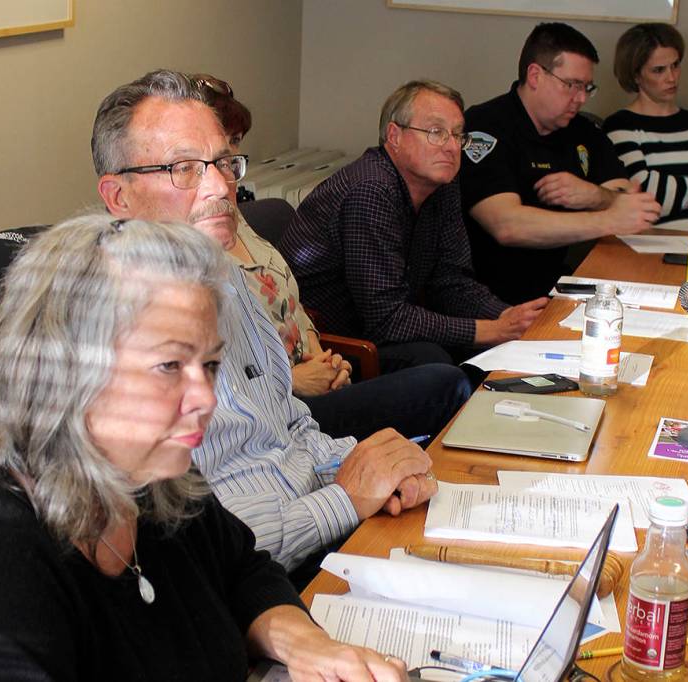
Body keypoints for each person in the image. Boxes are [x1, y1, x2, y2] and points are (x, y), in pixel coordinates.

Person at [0, 214, 409, 681]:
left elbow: (242, 570)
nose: (203, 397)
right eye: (168, 366)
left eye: (208, 365)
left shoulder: (150, 479)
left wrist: (304, 643)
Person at [93, 70, 436, 580]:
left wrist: (372, 465)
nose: (220, 187)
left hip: (316, 525)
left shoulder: (228, 276)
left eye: (224, 164)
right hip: (263, 577)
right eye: (184, 168)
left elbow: (292, 427)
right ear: (118, 197)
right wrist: (346, 497)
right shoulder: (116, 336)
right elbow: (209, 544)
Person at [195, 75, 471, 439]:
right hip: (283, 404)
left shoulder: (236, 219)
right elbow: (220, 374)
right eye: (212, 155)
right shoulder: (189, 248)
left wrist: (323, 358)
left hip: (319, 370)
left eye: (231, 151)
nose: (225, 171)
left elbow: (291, 304)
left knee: (444, 371)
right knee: (444, 381)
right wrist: (294, 378)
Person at [280, 79, 548, 373]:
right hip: (332, 348)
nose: (451, 147)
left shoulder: (442, 184)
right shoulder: (371, 189)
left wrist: (510, 316)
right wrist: (493, 330)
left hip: (381, 328)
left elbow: (451, 281)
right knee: (438, 363)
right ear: (394, 136)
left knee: (501, 349)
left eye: (458, 135)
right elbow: (386, 319)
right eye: (436, 132)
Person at [459, 22, 662, 304]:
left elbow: (628, 199)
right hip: (490, 296)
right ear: (535, 75)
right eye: (572, 85)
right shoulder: (486, 125)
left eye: (587, 87)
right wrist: (606, 218)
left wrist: (595, 195)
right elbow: (507, 225)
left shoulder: (583, 131)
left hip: (560, 289)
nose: (580, 98)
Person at [602, 23, 688, 233]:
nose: (672, 77)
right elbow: (644, 194)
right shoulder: (620, 126)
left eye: (675, 65)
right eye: (659, 70)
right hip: (649, 246)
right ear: (636, 76)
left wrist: (672, 189)